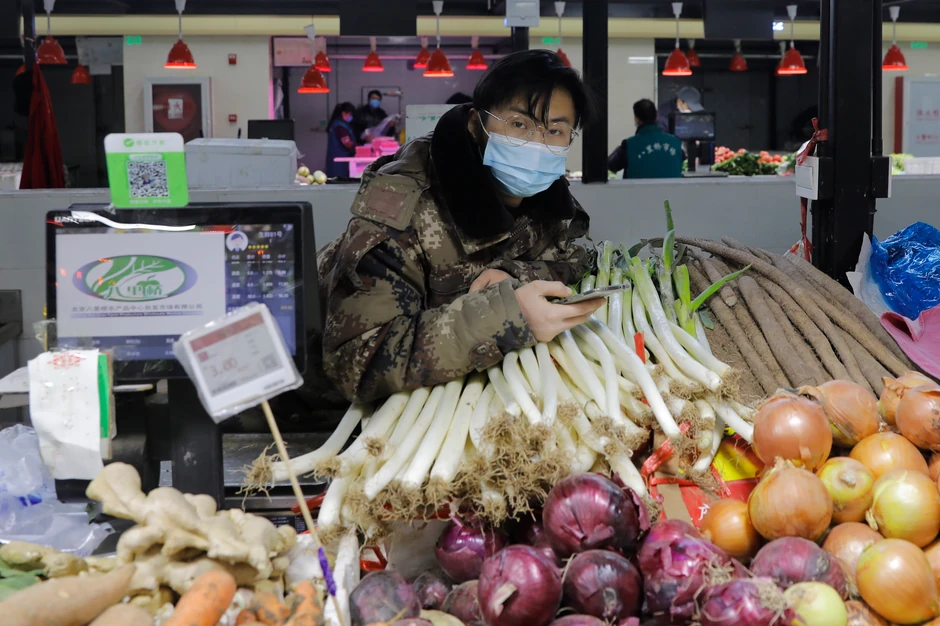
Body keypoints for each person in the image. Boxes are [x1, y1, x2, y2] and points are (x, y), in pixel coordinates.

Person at [314, 49, 601, 403]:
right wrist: (507, 315)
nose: (536, 145)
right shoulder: (403, 205)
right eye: (519, 125)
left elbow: (578, 258)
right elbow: (356, 362)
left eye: (555, 130)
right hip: (341, 416)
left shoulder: (551, 195)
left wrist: (515, 274)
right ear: (475, 123)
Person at [608, 99, 683, 179]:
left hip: (636, 191)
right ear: (656, 116)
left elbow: (610, 165)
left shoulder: (628, 145)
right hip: (673, 191)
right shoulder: (676, 142)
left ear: (636, 119)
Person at [326, 102, 357, 179]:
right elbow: (347, 143)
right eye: (350, 114)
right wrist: (359, 148)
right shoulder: (340, 127)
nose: (350, 117)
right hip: (339, 161)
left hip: (336, 158)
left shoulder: (339, 123)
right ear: (344, 113)